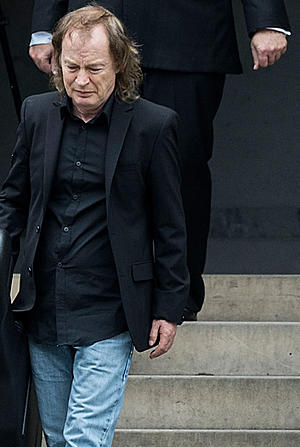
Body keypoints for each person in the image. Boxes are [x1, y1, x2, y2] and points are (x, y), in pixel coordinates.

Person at [0, 5, 189, 447]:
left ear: (119, 64)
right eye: (72, 67)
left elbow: (171, 226)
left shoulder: (154, 126)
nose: (81, 79)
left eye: (94, 68)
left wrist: (169, 305)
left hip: (112, 308)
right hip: (44, 305)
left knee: (84, 439)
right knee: (62, 442)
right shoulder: (36, 115)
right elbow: (12, 198)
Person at [29, 0, 290, 320]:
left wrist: (266, 19)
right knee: (99, 166)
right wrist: (44, 27)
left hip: (189, 34)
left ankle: (176, 295)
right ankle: (104, 293)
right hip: (102, 29)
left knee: (181, 168)